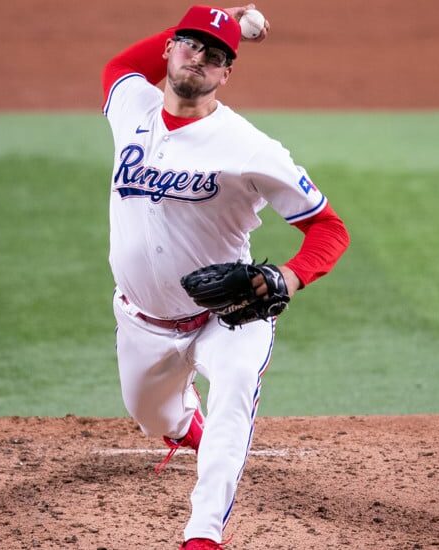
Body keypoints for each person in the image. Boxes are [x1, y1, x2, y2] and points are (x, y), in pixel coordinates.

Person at [101, 4, 349, 548]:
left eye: (216, 55)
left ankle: (203, 535)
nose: (200, 59)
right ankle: (186, 430)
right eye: (190, 45)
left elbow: (329, 229)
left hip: (230, 315)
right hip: (144, 320)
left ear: (227, 73)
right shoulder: (130, 105)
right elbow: (119, 64)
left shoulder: (250, 147)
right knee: (151, 416)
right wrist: (225, 20)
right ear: (169, 47)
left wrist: (288, 276)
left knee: (235, 393)